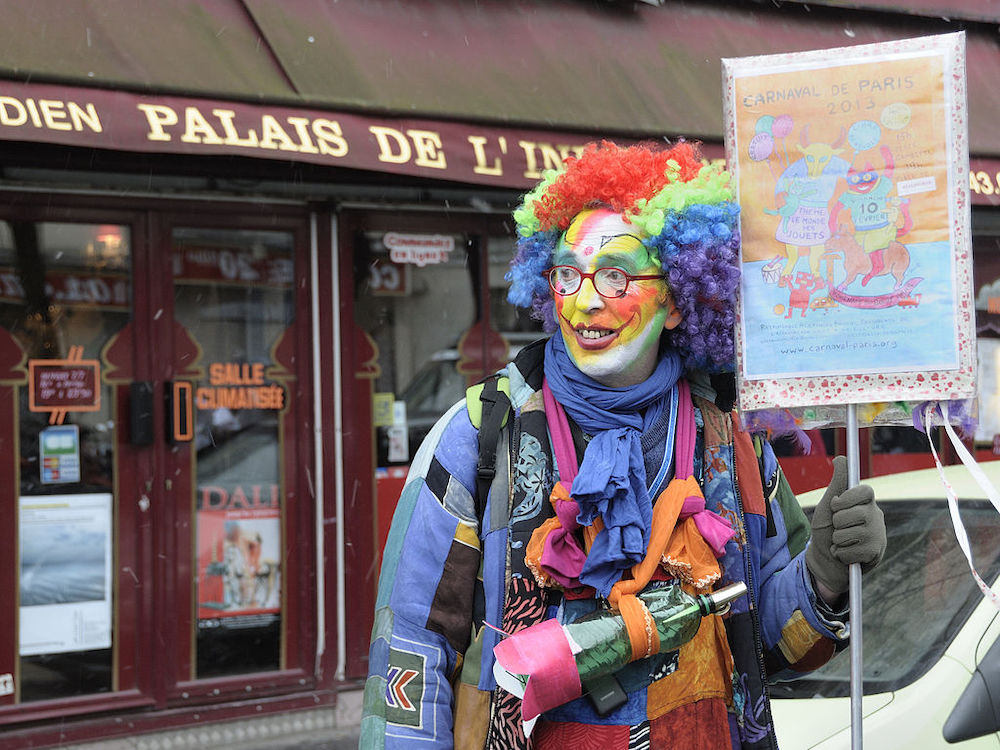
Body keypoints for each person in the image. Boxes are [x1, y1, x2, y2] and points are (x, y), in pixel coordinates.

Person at [360, 141, 886, 749]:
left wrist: (822, 576)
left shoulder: (730, 438)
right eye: (567, 274)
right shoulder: (482, 434)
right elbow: (411, 653)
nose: (585, 300)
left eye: (615, 276)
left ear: (676, 300)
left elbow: (771, 646)